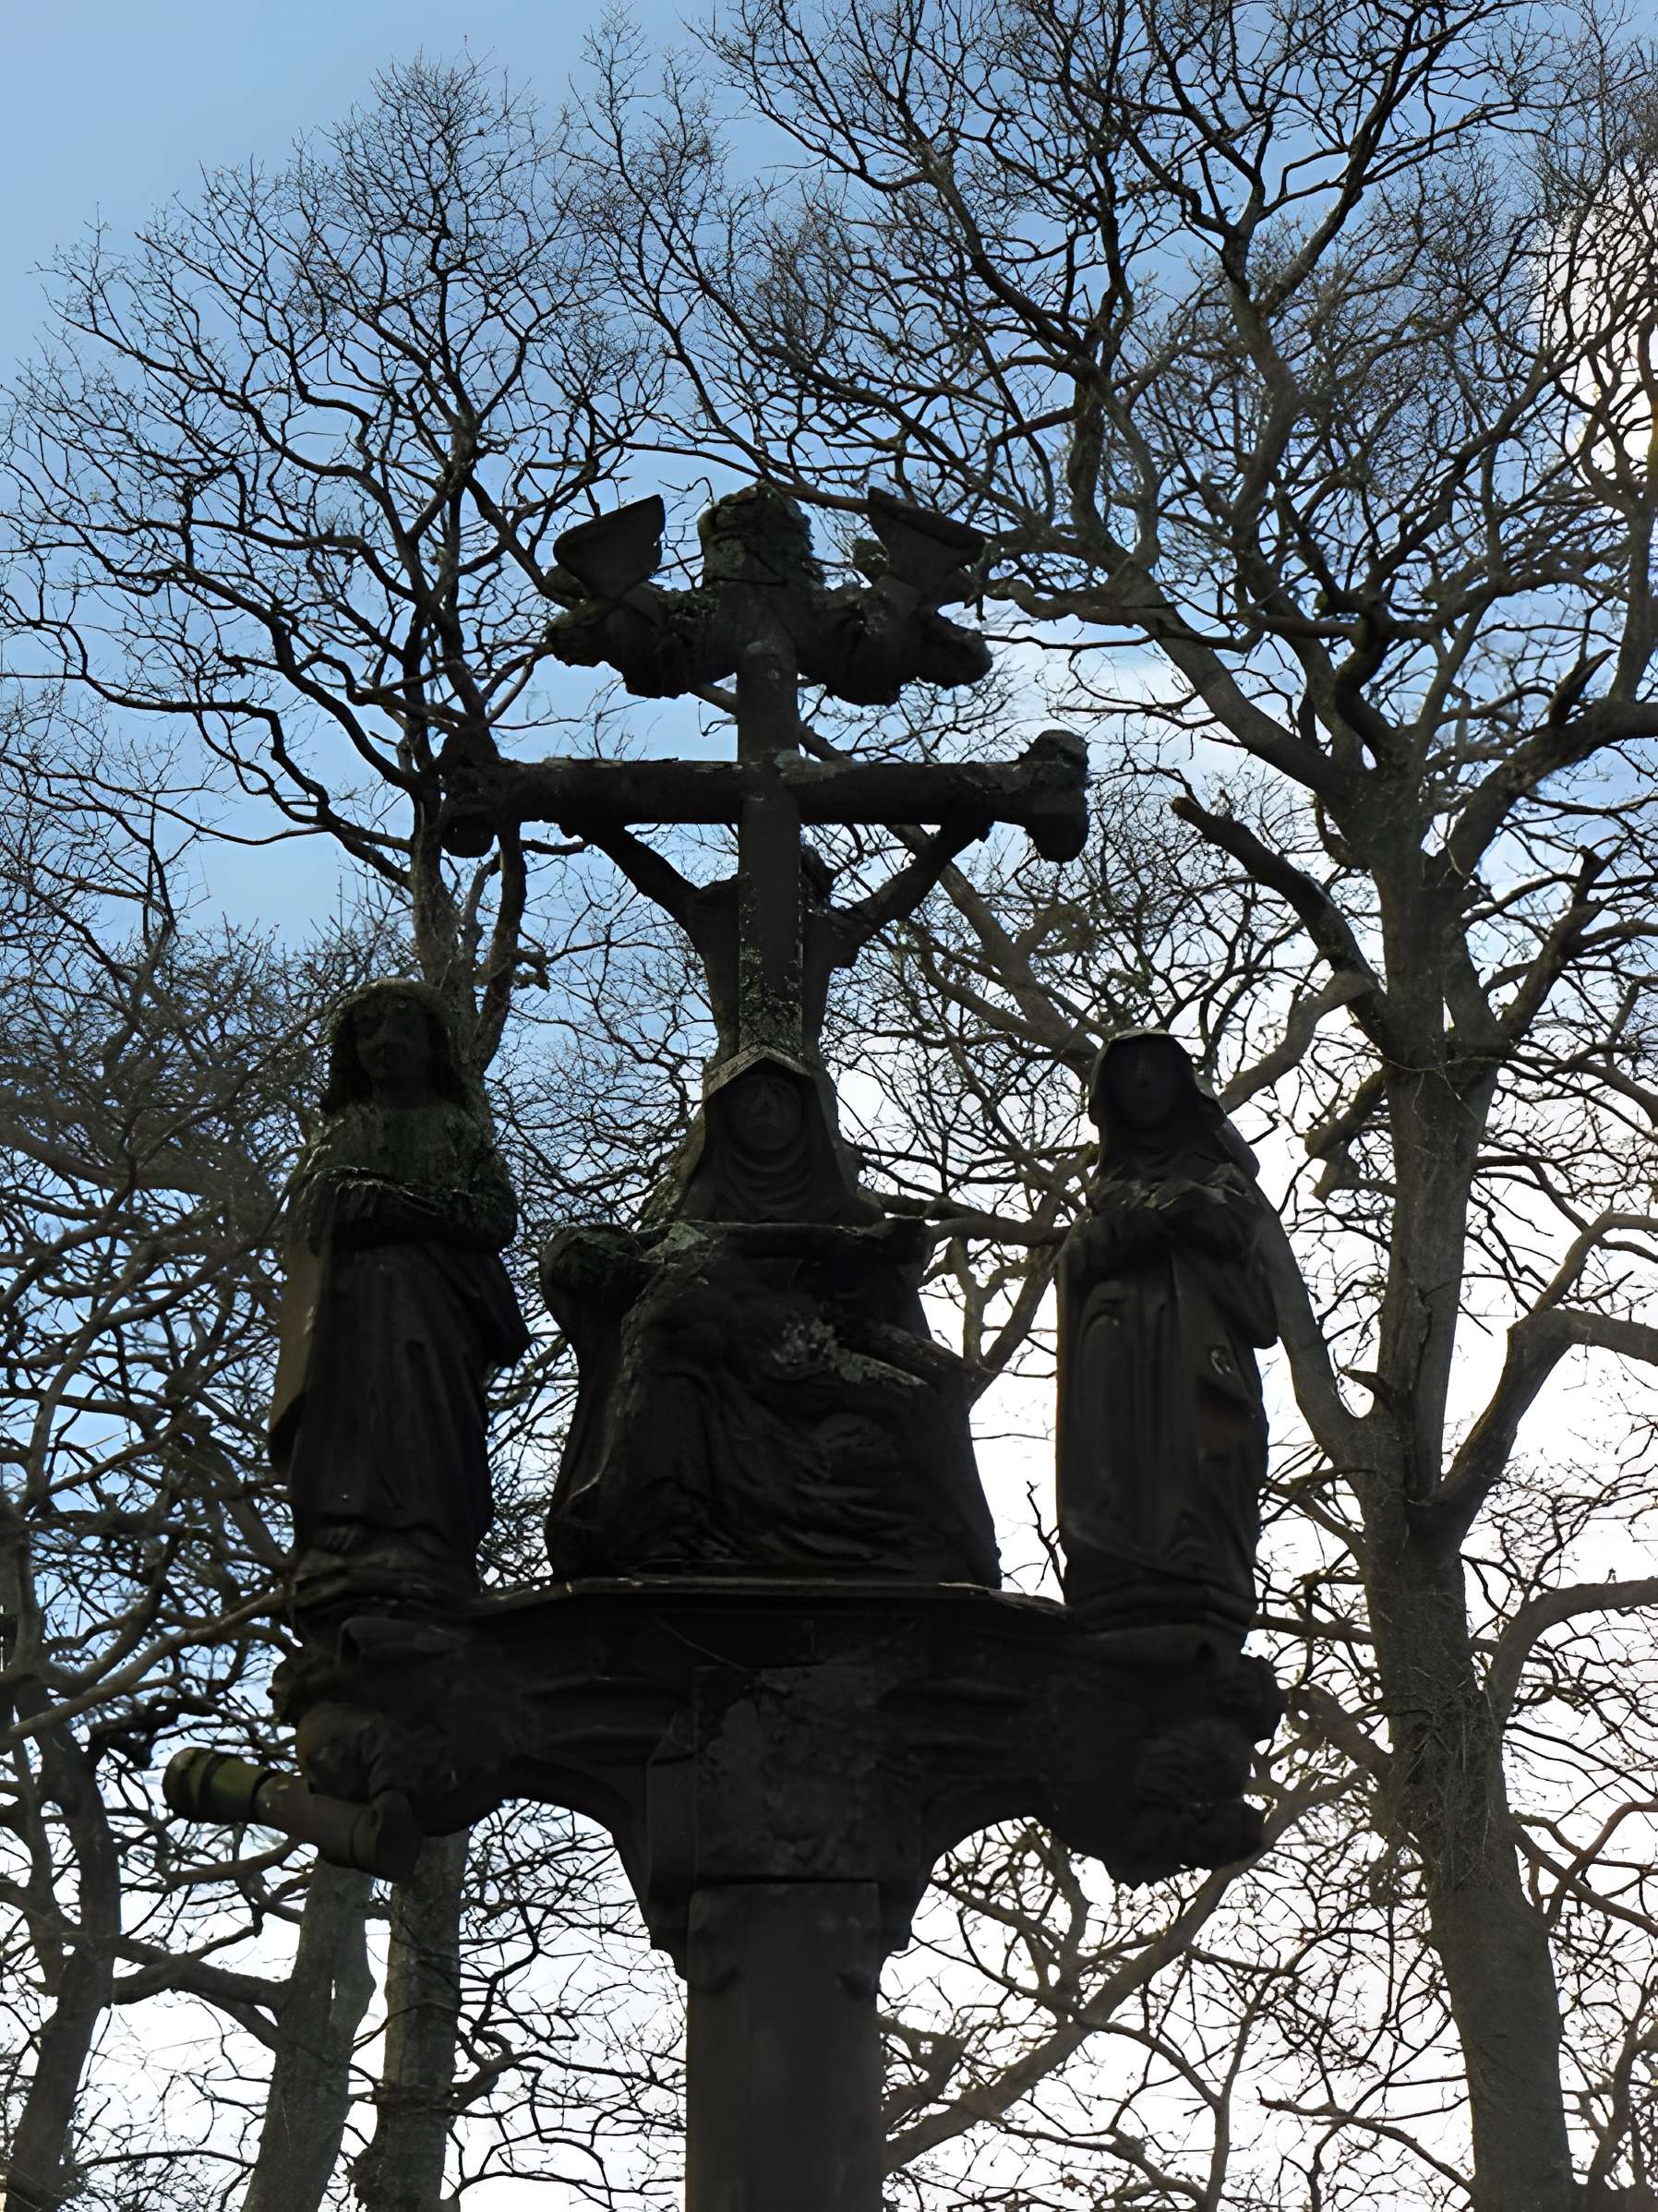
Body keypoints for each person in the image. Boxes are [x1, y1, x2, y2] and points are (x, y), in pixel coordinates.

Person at [269, 980, 531, 1611]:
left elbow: (496, 1215)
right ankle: (342, 1530)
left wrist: (408, 1210)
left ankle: (427, 1531)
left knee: (425, 1411)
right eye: (369, 1033)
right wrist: (341, 1198)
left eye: (401, 1029)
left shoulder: (453, 1129)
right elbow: (306, 1216)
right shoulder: (342, 1129)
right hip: (348, 1312)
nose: (385, 1045)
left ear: (431, 1046)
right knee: (352, 1413)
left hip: (435, 1309)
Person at [1055, 1030, 1277, 1640]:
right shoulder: (1101, 1195)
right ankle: (1114, 1559)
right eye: (1131, 1075)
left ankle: (1196, 1561)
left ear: (1182, 1086)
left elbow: (1241, 1256)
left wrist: (1181, 1213)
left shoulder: (1227, 1182)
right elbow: (1075, 1266)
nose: (1145, 1083)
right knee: (1112, 1448)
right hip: (1115, 1342)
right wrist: (1125, 1233)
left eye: (1157, 1070)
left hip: (1194, 1345)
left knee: (1201, 1455)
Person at [559, 816, 991, 1068]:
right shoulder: (813, 926)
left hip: (768, 1072)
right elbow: (894, 897)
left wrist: (603, 830)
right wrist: (951, 840)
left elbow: (655, 877)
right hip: (772, 1075)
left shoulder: (729, 915)